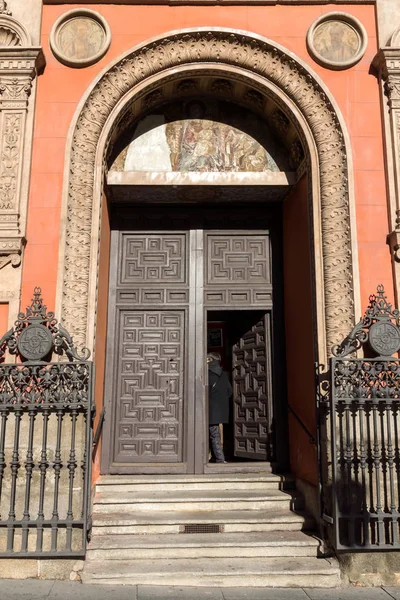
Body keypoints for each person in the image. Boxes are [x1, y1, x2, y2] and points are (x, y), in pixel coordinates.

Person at [207, 352, 232, 463]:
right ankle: (216, 457)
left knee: (213, 434)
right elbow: (229, 392)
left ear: (210, 360)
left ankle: (219, 459)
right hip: (219, 410)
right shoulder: (224, 375)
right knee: (215, 434)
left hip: (208, 410)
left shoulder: (208, 374)